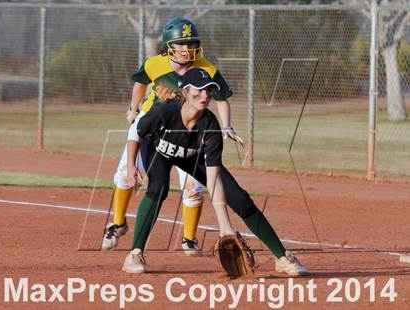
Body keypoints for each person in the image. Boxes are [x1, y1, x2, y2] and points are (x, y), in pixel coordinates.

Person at [121, 67, 308, 277]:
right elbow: (136, 132)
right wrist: (131, 166)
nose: (205, 96)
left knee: (240, 198)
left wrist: (225, 227)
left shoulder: (210, 126)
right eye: (199, 91)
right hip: (156, 148)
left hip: (192, 156)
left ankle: (282, 257)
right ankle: (134, 254)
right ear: (185, 92)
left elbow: (214, 181)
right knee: (158, 187)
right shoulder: (165, 111)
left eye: (209, 91)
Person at [102, 18, 243, 255]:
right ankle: (118, 224)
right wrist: (133, 108)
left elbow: (221, 99)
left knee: (194, 185)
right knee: (126, 173)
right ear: (169, 45)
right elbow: (140, 82)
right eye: (182, 43)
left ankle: (189, 239)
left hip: (186, 129)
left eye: (191, 42)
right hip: (152, 123)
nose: (188, 48)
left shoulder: (205, 68)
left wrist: (227, 126)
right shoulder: (155, 63)